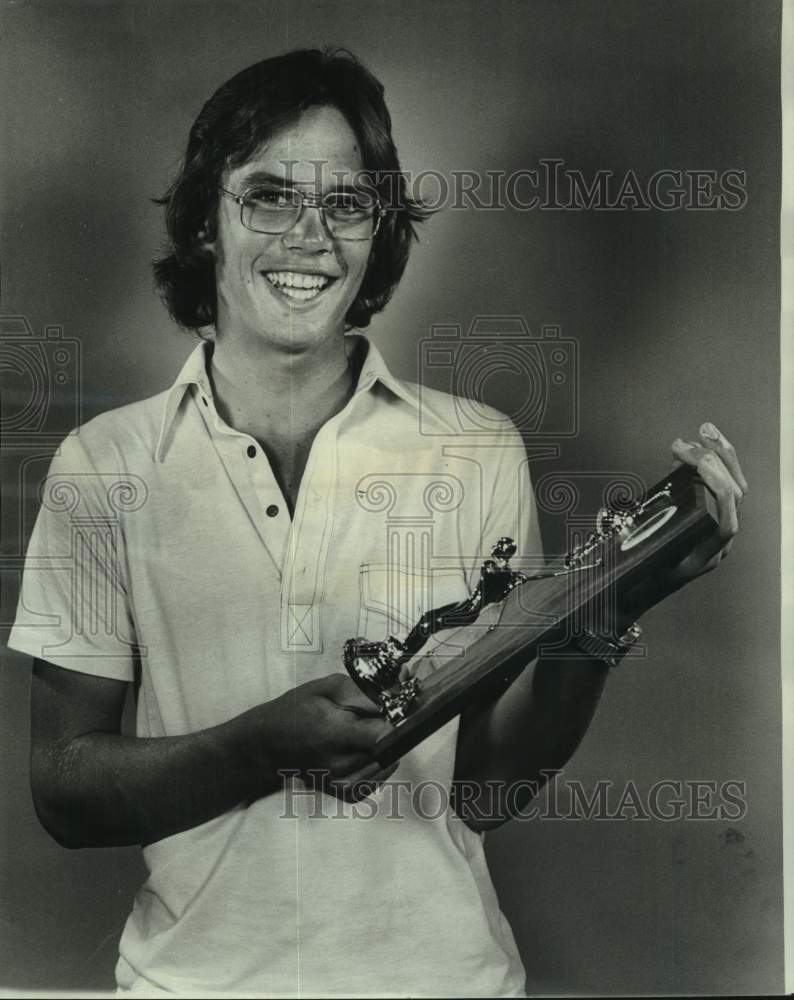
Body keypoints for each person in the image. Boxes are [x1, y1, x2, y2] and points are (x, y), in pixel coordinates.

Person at [7, 48, 747, 997]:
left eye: (346, 204)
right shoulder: (101, 466)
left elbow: (484, 789)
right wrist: (261, 744)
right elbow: (65, 790)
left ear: (377, 233)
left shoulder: (478, 448)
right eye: (268, 196)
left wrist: (616, 596)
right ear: (203, 223)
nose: (309, 236)